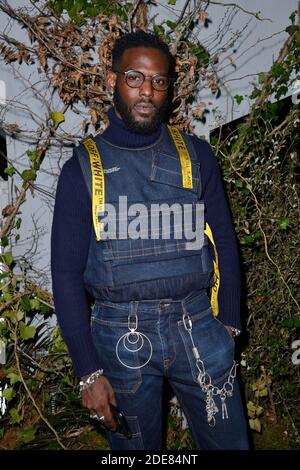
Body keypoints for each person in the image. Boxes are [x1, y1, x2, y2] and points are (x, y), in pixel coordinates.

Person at [51, 31, 249, 450]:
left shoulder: (197, 155)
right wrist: (89, 371)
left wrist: (228, 326)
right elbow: (65, 275)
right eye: (135, 77)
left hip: (198, 324)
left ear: (169, 89)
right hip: (119, 333)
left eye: (159, 81)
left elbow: (226, 244)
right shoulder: (82, 169)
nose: (147, 91)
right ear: (111, 81)